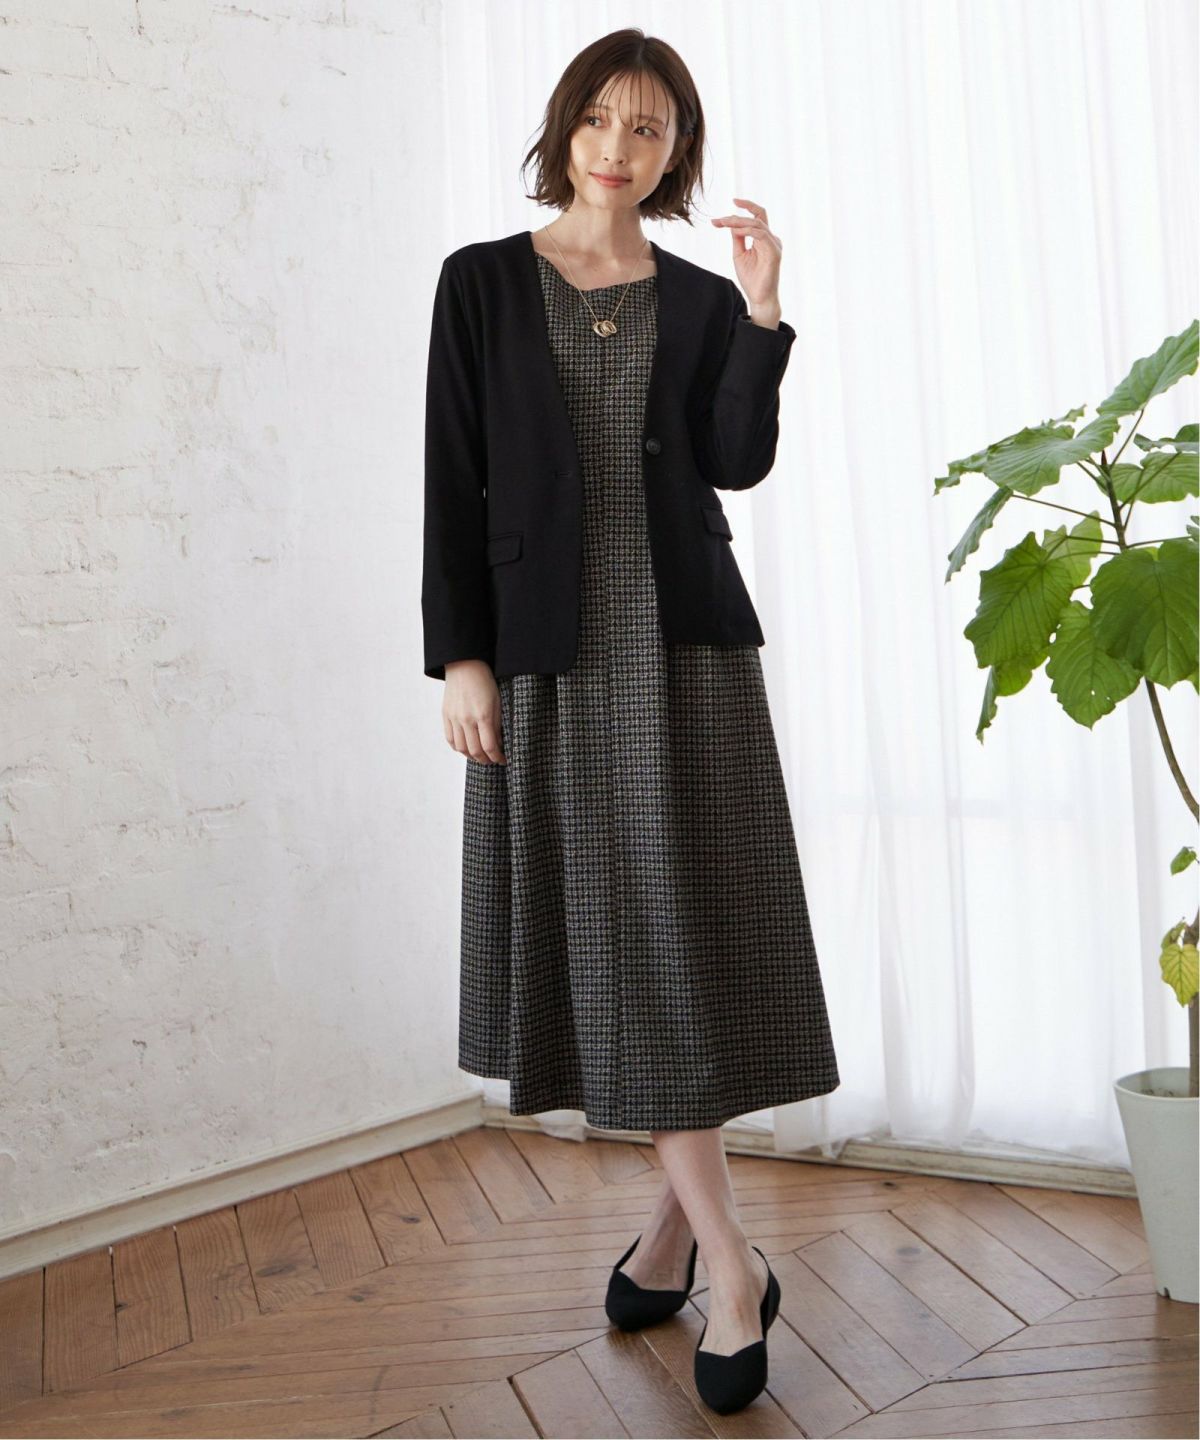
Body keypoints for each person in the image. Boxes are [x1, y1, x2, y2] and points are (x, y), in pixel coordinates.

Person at [420, 27, 840, 1415]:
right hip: (549, 664)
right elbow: (451, 478)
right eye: (600, 119)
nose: (618, 147)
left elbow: (735, 462)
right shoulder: (482, 283)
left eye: (649, 128)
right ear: (565, 128)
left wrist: (764, 317)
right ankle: (730, 1259)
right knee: (624, 950)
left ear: (677, 153)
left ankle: (690, 1249)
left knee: (683, 940)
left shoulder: (706, 300)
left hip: (688, 655)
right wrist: (460, 660)